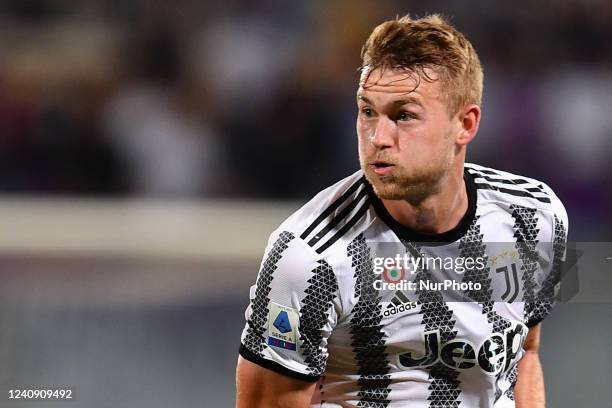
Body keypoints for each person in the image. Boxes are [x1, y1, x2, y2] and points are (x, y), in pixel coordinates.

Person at [235, 14, 567, 408]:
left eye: (404, 115)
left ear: (465, 123)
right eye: (368, 111)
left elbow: (525, 354)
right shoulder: (310, 256)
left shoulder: (532, 216)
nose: (377, 137)